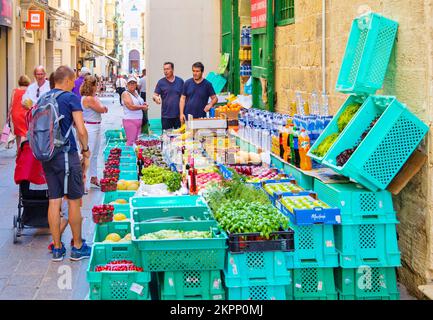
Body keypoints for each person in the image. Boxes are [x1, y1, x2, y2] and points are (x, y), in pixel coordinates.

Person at [40, 65, 92, 262]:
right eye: (73, 81)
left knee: (54, 200)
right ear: (69, 80)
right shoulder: (70, 98)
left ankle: (57, 248)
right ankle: (77, 246)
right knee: (73, 200)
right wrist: (86, 150)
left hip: (48, 155)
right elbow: (81, 129)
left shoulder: (44, 98)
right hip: (66, 155)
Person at [80, 75, 108, 193]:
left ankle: (93, 178)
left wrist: (103, 107)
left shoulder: (92, 97)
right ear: (92, 86)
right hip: (90, 127)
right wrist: (103, 107)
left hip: (95, 125)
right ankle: (83, 182)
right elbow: (102, 109)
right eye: (96, 85)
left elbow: (102, 108)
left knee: (95, 154)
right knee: (89, 155)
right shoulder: (89, 99)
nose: (97, 87)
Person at [153, 62, 184, 130]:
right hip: (166, 116)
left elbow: (184, 98)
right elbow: (155, 95)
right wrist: (156, 98)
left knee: (179, 138)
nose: (165, 71)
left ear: (172, 69)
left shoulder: (180, 81)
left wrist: (182, 113)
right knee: (166, 138)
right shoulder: (161, 82)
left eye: (167, 69)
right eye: (164, 69)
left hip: (178, 115)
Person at [121, 76, 148, 146]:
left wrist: (143, 104)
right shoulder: (125, 93)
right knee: (131, 142)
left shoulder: (136, 92)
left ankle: (135, 156)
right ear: (127, 85)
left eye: (134, 83)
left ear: (136, 85)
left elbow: (138, 103)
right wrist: (142, 107)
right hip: (130, 121)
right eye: (130, 83)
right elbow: (131, 106)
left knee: (137, 142)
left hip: (139, 121)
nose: (132, 85)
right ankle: (129, 156)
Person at [8, 75, 31, 150]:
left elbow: (11, 103)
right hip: (25, 114)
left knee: (18, 133)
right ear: (28, 82)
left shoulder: (15, 91)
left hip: (15, 114)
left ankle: (18, 150)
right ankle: (22, 150)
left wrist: (8, 115)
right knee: (24, 133)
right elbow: (29, 103)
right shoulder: (29, 90)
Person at [138, 69, 148, 133]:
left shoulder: (141, 79)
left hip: (143, 93)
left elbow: (139, 87)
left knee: (142, 107)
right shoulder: (148, 78)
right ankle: (145, 119)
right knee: (145, 107)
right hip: (147, 93)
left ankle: (144, 120)